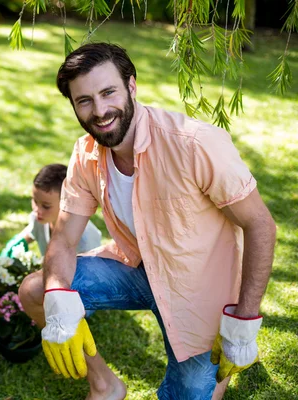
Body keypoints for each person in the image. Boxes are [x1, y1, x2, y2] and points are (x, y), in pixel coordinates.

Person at [18, 43, 276, 400]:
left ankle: (212, 373)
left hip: (199, 291)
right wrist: (59, 300)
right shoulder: (86, 154)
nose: (100, 110)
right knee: (38, 292)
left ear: (132, 86)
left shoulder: (195, 143)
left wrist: (244, 320)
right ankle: (105, 385)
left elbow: (260, 224)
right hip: (137, 268)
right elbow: (62, 240)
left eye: (108, 92)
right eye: (84, 100)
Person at [0, 163, 102, 261]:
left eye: (46, 206)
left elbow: (91, 274)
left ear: (67, 203)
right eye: (35, 201)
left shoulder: (84, 238)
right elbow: (25, 237)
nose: (37, 210)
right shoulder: (39, 220)